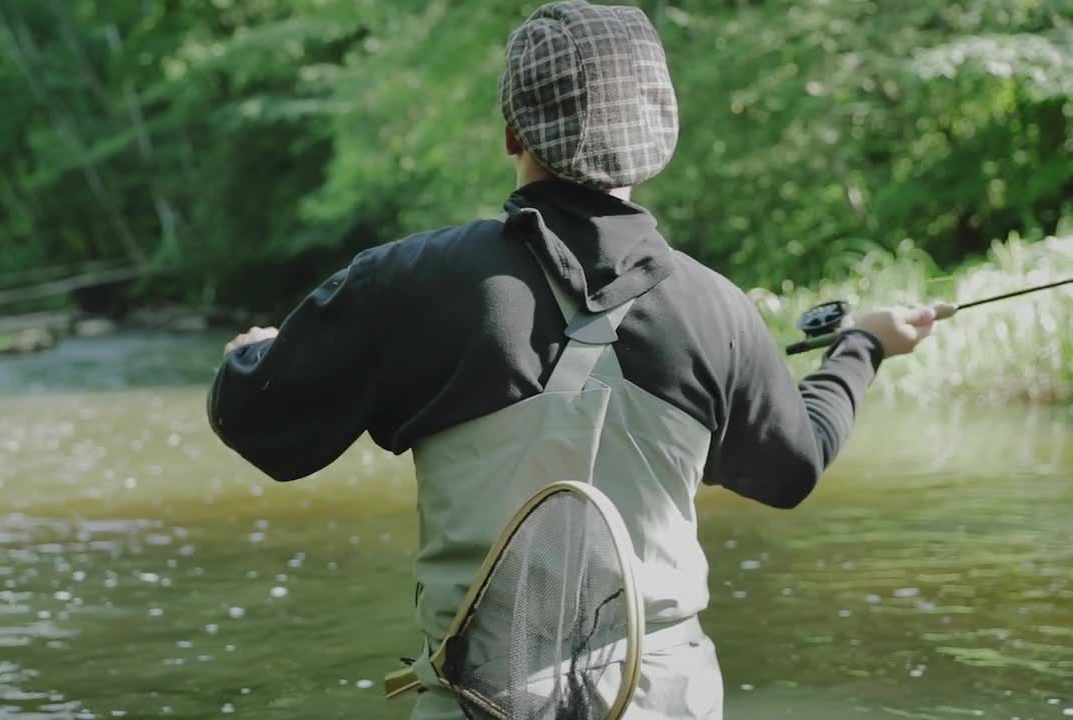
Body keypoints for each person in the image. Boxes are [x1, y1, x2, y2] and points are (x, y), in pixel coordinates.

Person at [207, 2, 944, 718]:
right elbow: (794, 468)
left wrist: (253, 359)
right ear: (660, 139)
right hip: (663, 697)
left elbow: (264, 427)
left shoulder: (408, 283)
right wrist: (863, 346)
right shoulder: (719, 312)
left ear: (510, 133)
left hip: (481, 699)